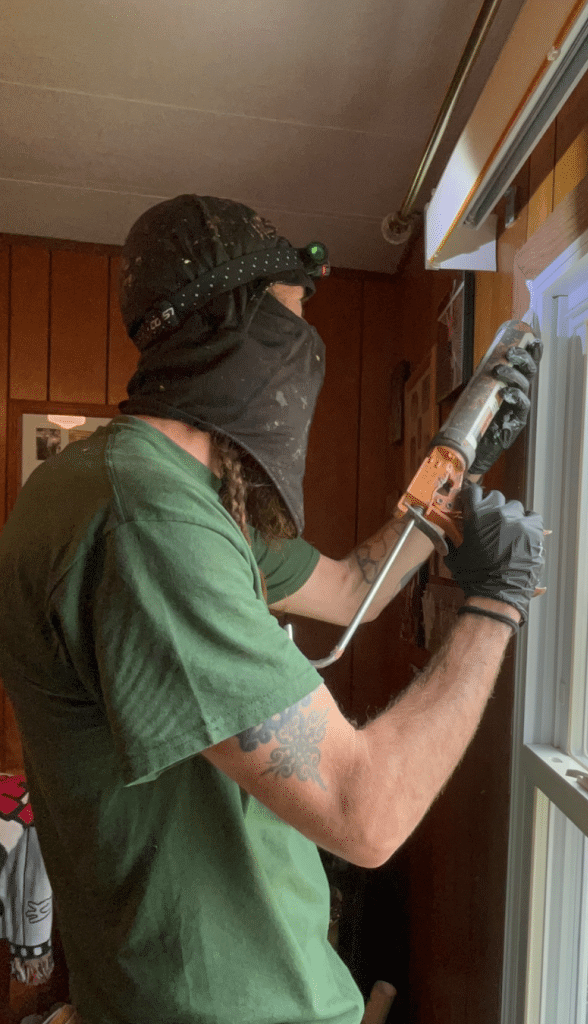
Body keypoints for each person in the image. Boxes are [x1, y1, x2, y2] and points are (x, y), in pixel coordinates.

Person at [0, 195, 544, 1024]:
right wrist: (497, 605)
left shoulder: (166, 497)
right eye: (294, 317)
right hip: (214, 1004)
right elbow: (366, 815)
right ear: (232, 325)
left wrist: (455, 465)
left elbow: (353, 588)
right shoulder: (149, 519)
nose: (305, 350)